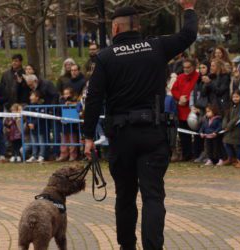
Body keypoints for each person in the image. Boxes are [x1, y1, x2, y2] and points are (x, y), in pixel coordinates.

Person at [83, 1, 198, 249]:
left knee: (125, 197)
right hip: (153, 134)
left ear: (115, 29)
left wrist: (88, 136)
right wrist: (188, 7)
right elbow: (189, 35)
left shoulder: (105, 57)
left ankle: (127, 246)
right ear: (138, 26)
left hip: (122, 136)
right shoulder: (156, 47)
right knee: (153, 196)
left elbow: (93, 98)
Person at [171, 58, 199, 161]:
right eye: (184, 67)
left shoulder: (198, 77)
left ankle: (197, 154)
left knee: (196, 134)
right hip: (181, 109)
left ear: (193, 67)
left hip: (193, 109)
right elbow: (174, 90)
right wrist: (179, 98)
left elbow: (196, 90)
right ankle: (187, 155)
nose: (186, 69)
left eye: (188, 67)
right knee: (184, 135)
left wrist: (186, 98)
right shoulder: (180, 77)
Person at [222, 90, 240, 167]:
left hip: (238, 128)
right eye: (234, 97)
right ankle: (231, 157)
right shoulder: (230, 106)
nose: (235, 98)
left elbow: (237, 118)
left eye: (237, 97)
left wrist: (229, 126)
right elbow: (226, 117)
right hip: (229, 129)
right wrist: (224, 126)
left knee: (237, 145)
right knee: (226, 142)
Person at [57, 87, 79, 162]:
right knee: (63, 140)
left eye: (67, 93)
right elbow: (58, 110)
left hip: (72, 124)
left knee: (72, 139)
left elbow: (79, 106)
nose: (66, 95)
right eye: (64, 93)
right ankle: (63, 155)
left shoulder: (75, 100)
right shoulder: (61, 101)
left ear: (71, 94)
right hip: (64, 123)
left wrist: (72, 103)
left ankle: (73, 155)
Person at [26, 91, 47, 163]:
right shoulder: (29, 106)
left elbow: (40, 117)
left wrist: (34, 123)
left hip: (40, 127)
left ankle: (42, 155)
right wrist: (29, 123)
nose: (30, 97)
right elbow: (27, 116)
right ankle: (34, 155)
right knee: (34, 142)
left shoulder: (41, 106)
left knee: (41, 141)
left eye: (32, 96)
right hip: (32, 128)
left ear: (37, 97)